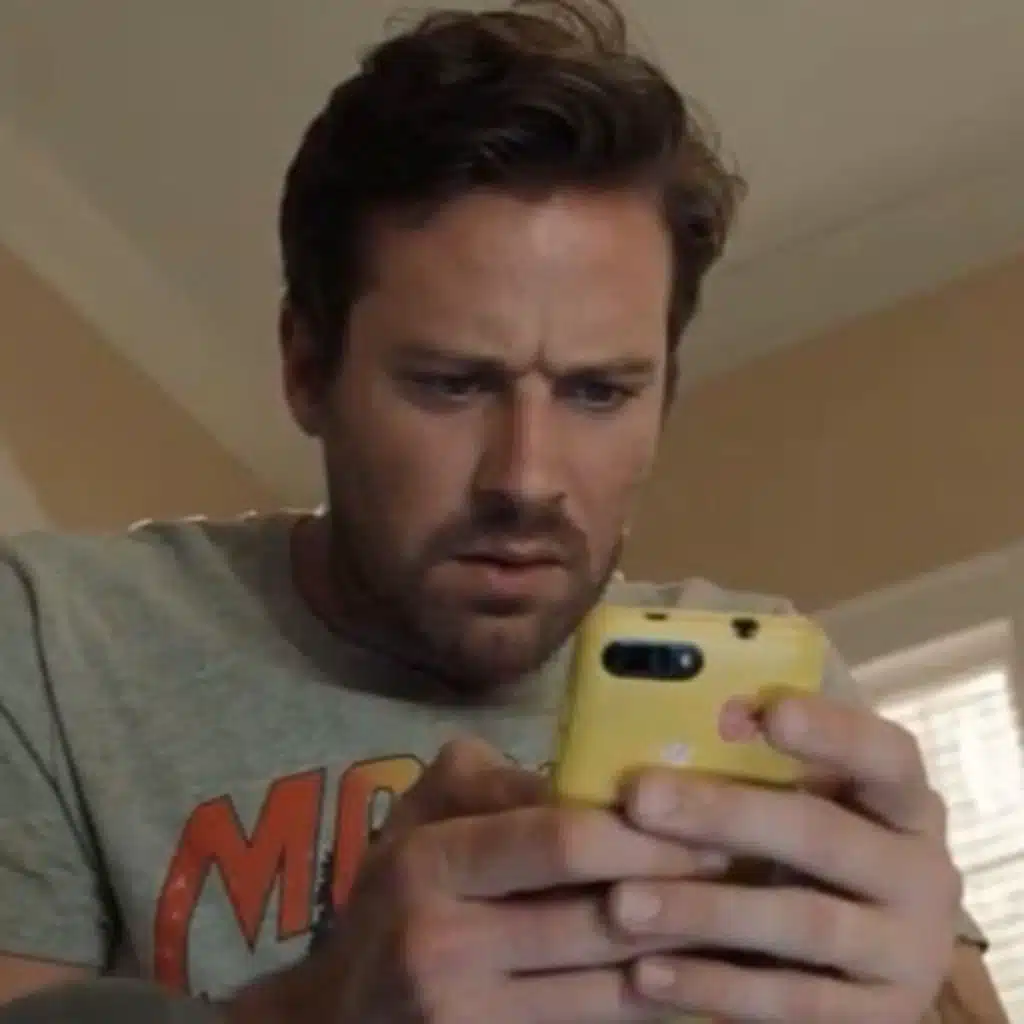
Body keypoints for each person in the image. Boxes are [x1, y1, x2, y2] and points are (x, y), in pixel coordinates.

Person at [0, 1, 1009, 1021]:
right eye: (450, 384)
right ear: (306, 369)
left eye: (598, 391)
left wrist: (914, 997)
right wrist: (315, 1010)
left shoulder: (782, 694)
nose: (525, 478)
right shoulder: (60, 642)